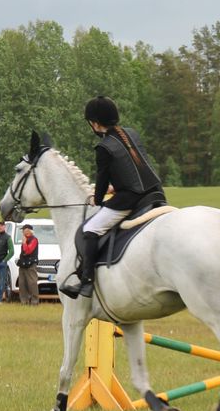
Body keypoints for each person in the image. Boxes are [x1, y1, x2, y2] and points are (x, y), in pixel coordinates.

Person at [60, 95, 165, 299]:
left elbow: (101, 181)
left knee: (90, 229)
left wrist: (97, 199)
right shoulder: (131, 134)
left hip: (131, 199)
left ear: (95, 123)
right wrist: (117, 187)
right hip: (155, 192)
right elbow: (134, 169)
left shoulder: (104, 147)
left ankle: (87, 281)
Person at [17, 223, 40, 306]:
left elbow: (28, 251)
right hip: (23, 264)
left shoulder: (34, 240)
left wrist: (24, 243)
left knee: (32, 283)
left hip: (31, 264)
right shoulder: (25, 239)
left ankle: (34, 301)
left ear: (29, 231)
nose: (23, 232)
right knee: (22, 283)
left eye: (25, 230)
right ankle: (24, 301)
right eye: (23, 230)